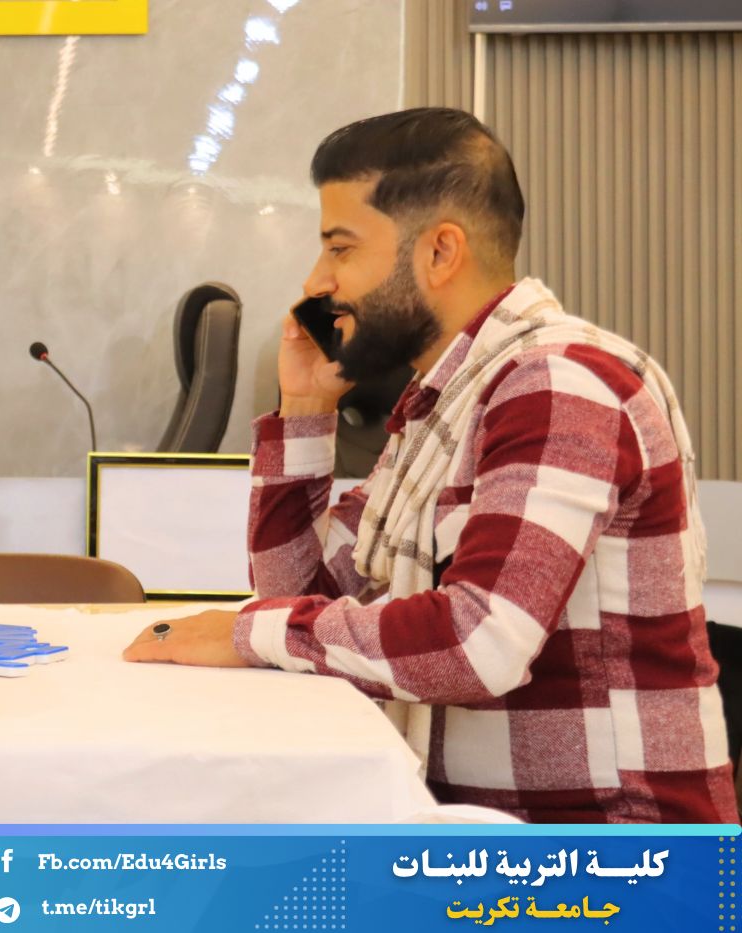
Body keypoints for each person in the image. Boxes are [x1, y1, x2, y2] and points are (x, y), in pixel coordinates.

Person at [124, 108, 736, 823]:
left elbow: (479, 643)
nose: (317, 281)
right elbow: (299, 593)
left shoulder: (557, 382)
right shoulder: (446, 402)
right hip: (473, 830)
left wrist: (246, 633)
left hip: (610, 848)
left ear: (441, 252)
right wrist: (306, 406)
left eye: (341, 249)